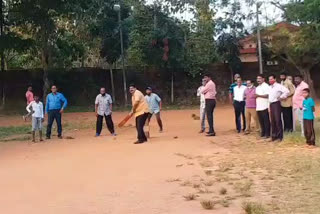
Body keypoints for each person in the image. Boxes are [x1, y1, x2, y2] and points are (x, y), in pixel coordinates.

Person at [268, 75, 289, 142]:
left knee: (277, 120)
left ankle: (280, 137)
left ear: (275, 79)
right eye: (269, 79)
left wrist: (281, 97)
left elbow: (287, 91)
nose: (270, 80)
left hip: (276, 103)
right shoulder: (269, 87)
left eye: (271, 79)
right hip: (271, 104)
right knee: (272, 120)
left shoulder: (278, 86)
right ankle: (274, 136)